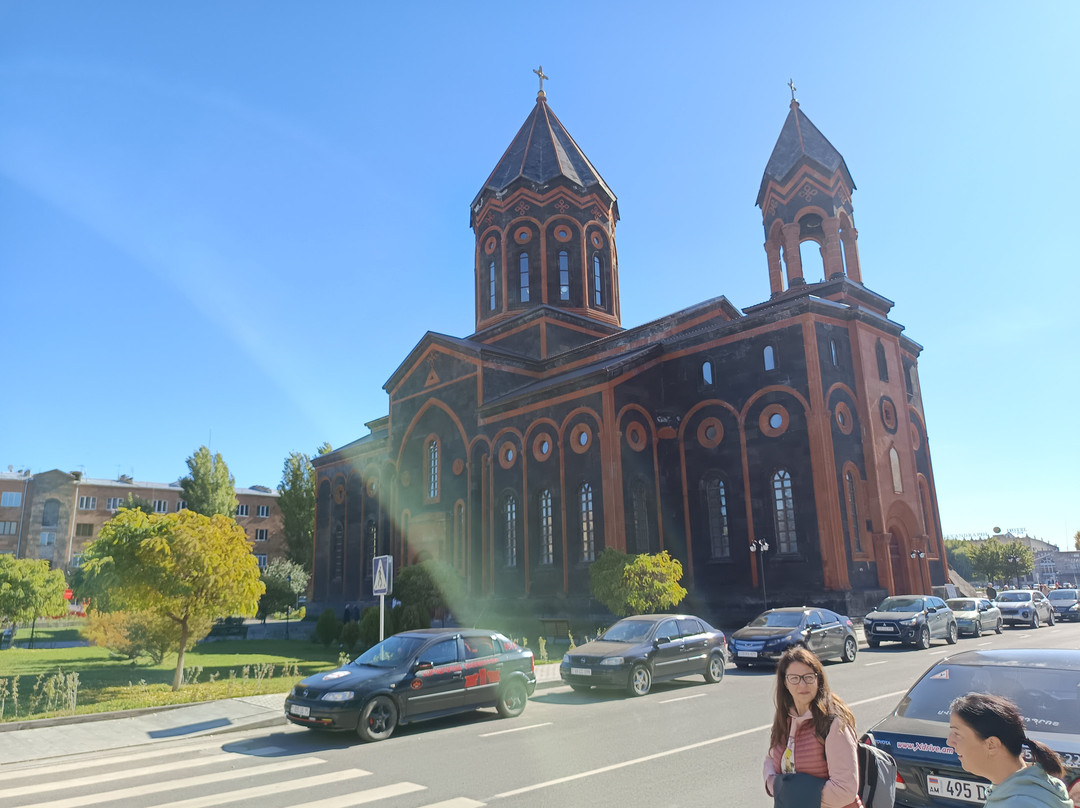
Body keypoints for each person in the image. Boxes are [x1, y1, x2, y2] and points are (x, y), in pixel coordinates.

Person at [763, 646, 862, 807]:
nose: (802, 685)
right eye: (794, 678)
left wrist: (787, 791)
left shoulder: (834, 723)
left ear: (818, 679)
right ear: (785, 682)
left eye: (808, 677)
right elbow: (771, 758)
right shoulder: (785, 717)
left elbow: (845, 791)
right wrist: (772, 784)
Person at [948, 693, 1074, 807]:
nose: (949, 742)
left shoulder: (1019, 803)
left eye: (956, 733)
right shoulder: (1024, 787)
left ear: (991, 744)